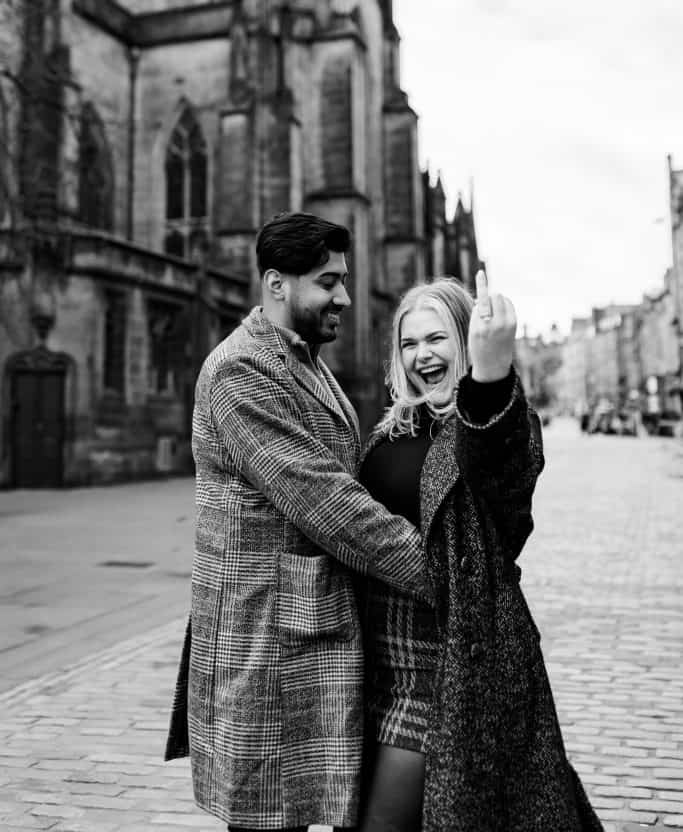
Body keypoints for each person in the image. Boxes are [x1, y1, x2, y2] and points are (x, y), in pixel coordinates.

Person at [164, 211, 432, 832]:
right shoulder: (240, 371)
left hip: (309, 625)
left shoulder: (304, 359)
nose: (343, 295)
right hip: (265, 643)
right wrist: (446, 576)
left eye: (342, 279)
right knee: (267, 821)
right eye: (328, 280)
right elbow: (329, 504)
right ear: (277, 284)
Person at [357, 272, 604, 832]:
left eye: (437, 338)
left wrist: (491, 375)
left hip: (449, 661)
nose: (422, 355)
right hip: (372, 661)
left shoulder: (488, 424)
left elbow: (506, 466)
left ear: (467, 340)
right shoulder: (393, 426)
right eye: (409, 342)